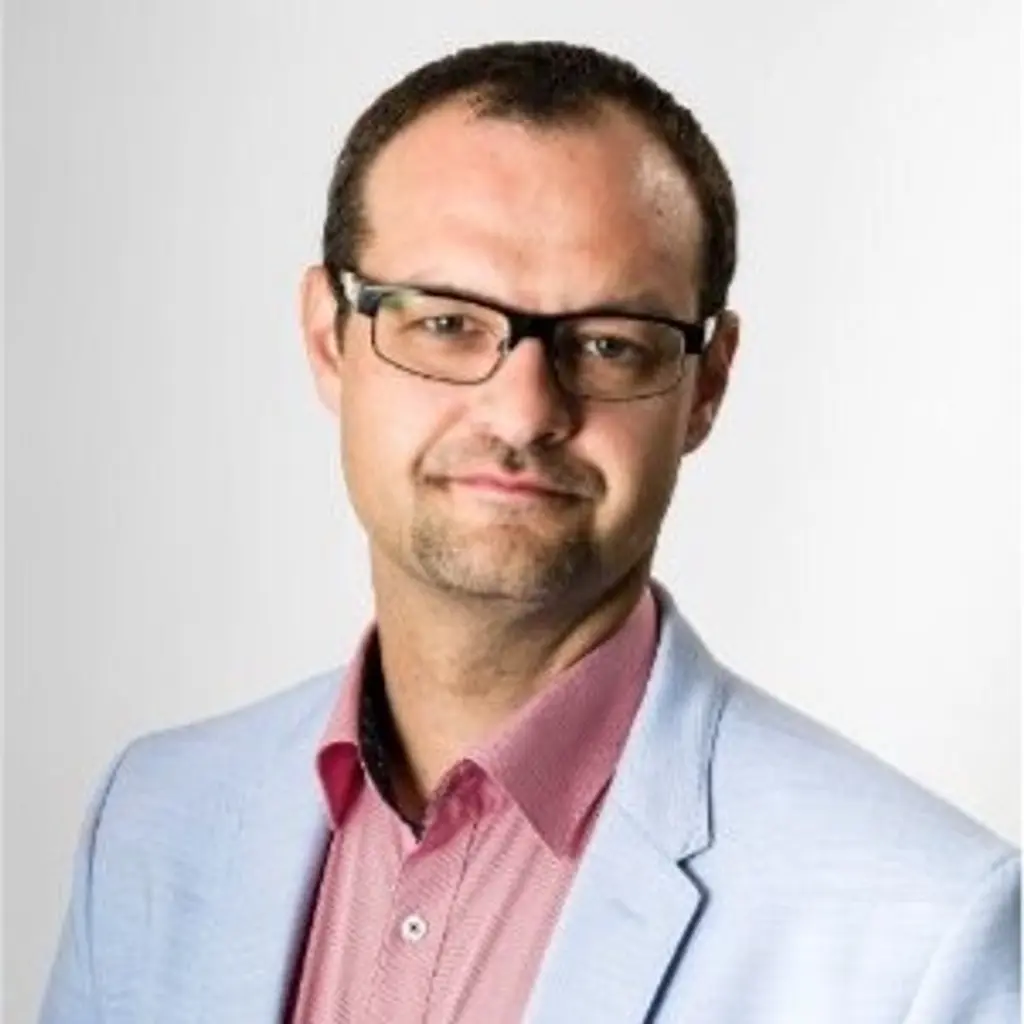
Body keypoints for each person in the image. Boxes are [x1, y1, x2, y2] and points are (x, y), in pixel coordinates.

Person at [40, 40, 1018, 1024]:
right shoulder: (151, 823)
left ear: (706, 385)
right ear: (329, 337)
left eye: (608, 344)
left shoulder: (924, 934)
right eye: (445, 323)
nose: (521, 413)